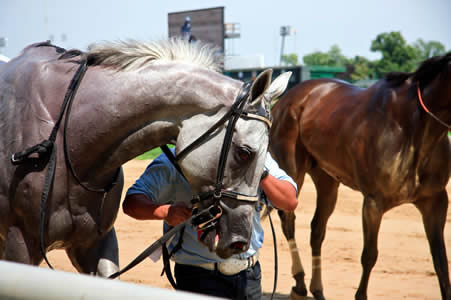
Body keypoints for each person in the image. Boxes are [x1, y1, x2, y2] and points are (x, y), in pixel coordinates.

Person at [123, 149, 298, 299]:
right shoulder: (175, 159)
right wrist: (165, 212)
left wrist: (259, 169)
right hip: (198, 279)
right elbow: (132, 202)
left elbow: (289, 201)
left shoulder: (255, 155)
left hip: (249, 277)